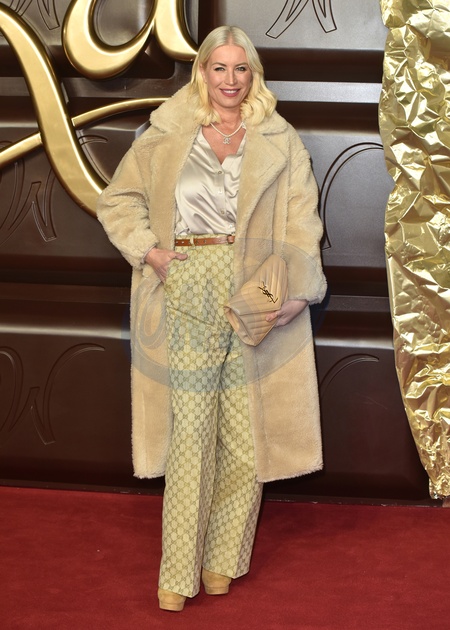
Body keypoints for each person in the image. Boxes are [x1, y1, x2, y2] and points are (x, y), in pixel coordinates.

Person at [97, 25, 327, 612]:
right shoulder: (167, 132)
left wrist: (297, 293)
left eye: (240, 68)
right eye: (219, 67)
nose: (230, 79)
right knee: (191, 432)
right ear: (202, 71)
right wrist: (151, 253)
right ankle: (177, 573)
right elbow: (118, 200)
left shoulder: (279, 138)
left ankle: (224, 559)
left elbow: (303, 221)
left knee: (248, 434)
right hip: (187, 279)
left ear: (254, 74)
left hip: (256, 288)